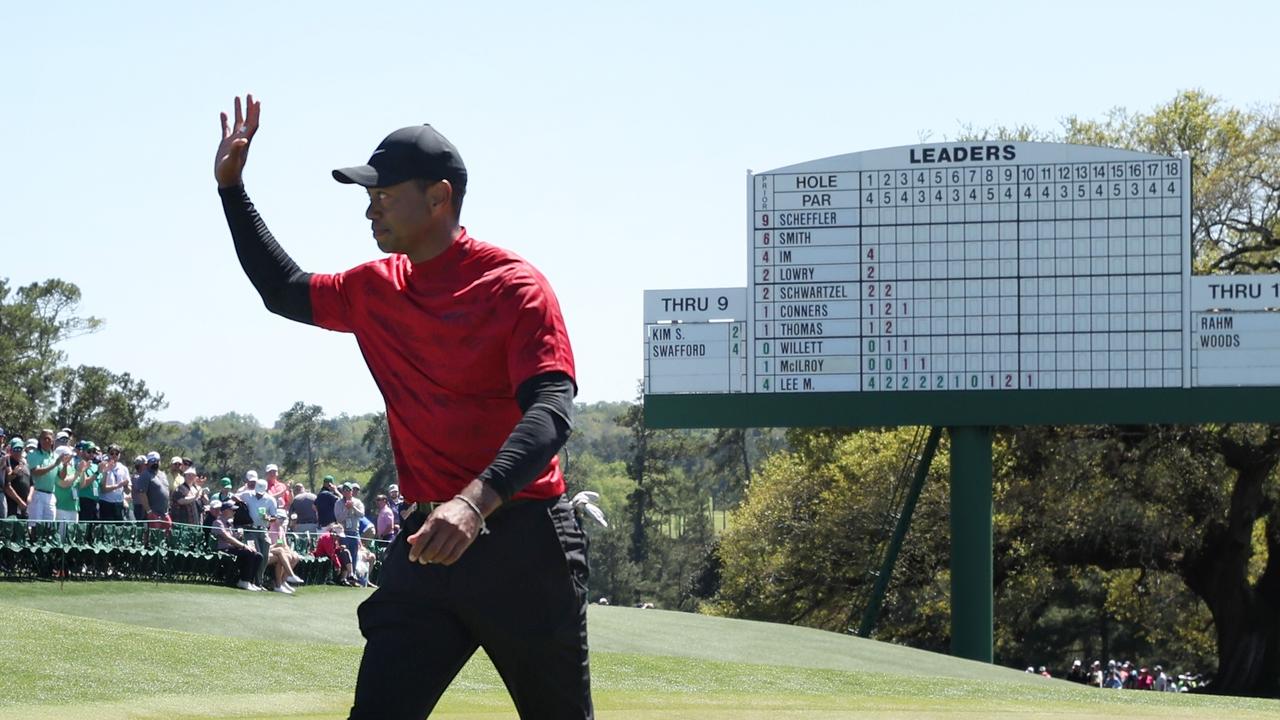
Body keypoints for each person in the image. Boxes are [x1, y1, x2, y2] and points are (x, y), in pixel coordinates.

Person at [216, 95, 588, 719]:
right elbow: (283, 290)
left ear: (439, 197)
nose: (370, 208)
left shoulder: (514, 287)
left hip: (524, 543)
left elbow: (551, 410)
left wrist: (474, 502)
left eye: (384, 195)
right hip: (425, 547)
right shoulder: (374, 287)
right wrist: (232, 189)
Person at [212, 500, 264, 591]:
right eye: (232, 510)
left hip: (232, 548)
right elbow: (228, 538)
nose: (234, 512)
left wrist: (239, 535)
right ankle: (244, 581)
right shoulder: (218, 522)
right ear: (225, 511)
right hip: (224, 549)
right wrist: (244, 546)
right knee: (249, 553)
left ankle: (249, 581)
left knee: (258, 556)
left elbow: (232, 537)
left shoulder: (230, 523)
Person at [97, 444, 129, 522]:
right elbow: (103, 489)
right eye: (112, 453)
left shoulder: (123, 468)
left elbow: (128, 491)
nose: (114, 455)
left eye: (116, 453)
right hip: (106, 503)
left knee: (119, 530)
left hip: (119, 503)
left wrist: (125, 486)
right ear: (108, 454)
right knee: (107, 529)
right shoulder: (103, 466)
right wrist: (118, 485)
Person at [3, 438, 31, 520]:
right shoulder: (7, 462)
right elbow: (6, 485)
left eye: (20, 449)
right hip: (11, 506)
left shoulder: (25, 464)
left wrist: (29, 497)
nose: (18, 452)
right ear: (11, 450)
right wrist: (20, 502)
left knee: (23, 530)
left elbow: (32, 484)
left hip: (24, 507)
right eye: (15, 449)